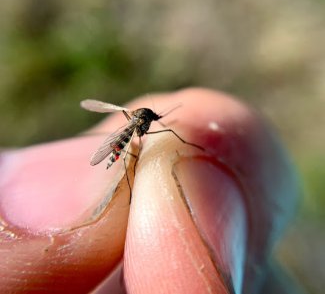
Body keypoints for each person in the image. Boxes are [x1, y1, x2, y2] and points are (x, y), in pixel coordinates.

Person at [0, 88, 304, 293]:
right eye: (153, 119)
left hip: (124, 139)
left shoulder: (141, 120)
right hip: (118, 147)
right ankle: (126, 181)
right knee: (137, 153)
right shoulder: (139, 124)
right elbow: (137, 132)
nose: (154, 122)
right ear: (147, 119)